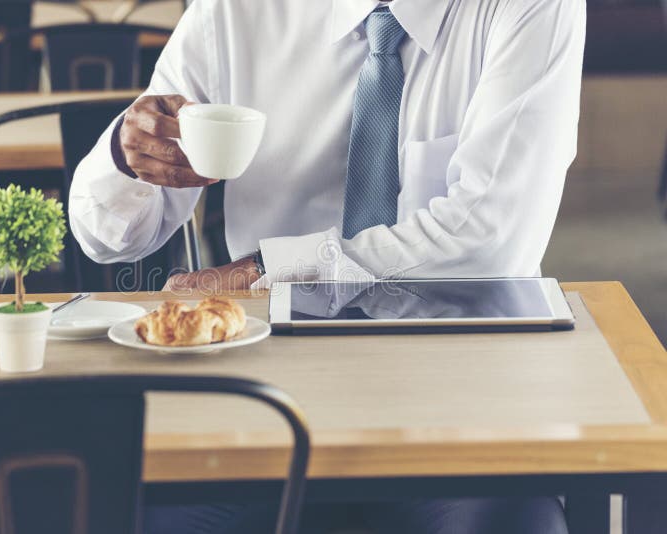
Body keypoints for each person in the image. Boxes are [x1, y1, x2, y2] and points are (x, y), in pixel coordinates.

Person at [71, 0, 584, 531]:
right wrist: (124, 155)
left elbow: (489, 238)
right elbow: (107, 237)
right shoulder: (233, 12)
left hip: (464, 402)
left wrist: (268, 268)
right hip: (262, 402)